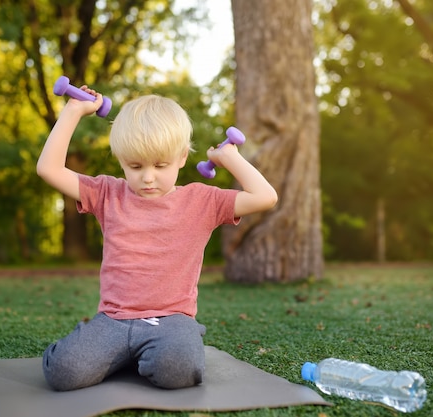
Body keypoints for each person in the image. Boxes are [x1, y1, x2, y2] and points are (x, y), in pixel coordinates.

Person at [36, 86, 278, 391]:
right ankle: (117, 351)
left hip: (171, 320)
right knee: (63, 373)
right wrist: (73, 111)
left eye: (160, 165)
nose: (147, 177)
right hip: (114, 319)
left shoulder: (202, 201)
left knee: (179, 370)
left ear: (180, 158)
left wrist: (228, 157)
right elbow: (49, 169)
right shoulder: (108, 194)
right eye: (135, 166)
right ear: (121, 160)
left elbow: (266, 197)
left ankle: (148, 353)